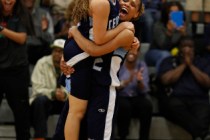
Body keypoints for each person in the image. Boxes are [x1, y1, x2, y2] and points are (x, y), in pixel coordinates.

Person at [53, 0, 144, 139]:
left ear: (137, 13)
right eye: (125, 0)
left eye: (132, 4)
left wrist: (75, 33)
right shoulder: (104, 19)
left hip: (103, 90)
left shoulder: (127, 33)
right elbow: (83, 39)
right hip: (85, 82)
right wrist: (66, 57)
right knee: (67, 128)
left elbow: (94, 49)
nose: (126, 4)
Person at [157, 36, 210, 140]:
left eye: (190, 47)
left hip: (199, 99)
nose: (187, 49)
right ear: (179, 49)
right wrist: (184, 65)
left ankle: (198, 134)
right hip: (177, 99)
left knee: (205, 111)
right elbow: (166, 80)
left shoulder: (202, 62)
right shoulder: (169, 61)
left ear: (194, 49)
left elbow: (207, 83)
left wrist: (191, 66)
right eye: (184, 46)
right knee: (172, 107)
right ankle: (202, 133)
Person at [0, 0, 35, 140]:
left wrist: (2, 30)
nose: (8, 1)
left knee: (21, 115)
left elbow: (21, 38)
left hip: (17, 71)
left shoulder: (22, 13)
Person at [30, 39, 68, 140]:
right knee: (39, 101)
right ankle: (39, 137)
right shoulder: (42, 63)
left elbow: (75, 87)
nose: (57, 54)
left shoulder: (70, 65)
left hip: (63, 100)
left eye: (61, 51)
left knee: (75, 104)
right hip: (47, 100)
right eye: (55, 50)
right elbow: (37, 87)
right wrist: (52, 93)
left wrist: (64, 95)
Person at [116, 47, 152, 140]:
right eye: (129, 50)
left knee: (147, 105)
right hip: (121, 96)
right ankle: (123, 136)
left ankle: (144, 137)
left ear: (139, 53)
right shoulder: (119, 65)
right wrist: (127, 81)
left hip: (136, 96)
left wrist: (139, 81)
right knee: (124, 106)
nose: (132, 53)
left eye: (135, 50)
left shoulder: (142, 65)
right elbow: (114, 87)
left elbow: (144, 90)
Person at [144, 1, 187, 72]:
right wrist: (169, 32)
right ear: (166, 13)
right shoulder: (159, 26)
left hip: (176, 53)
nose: (174, 15)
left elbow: (190, 46)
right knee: (166, 55)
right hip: (155, 53)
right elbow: (164, 47)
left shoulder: (184, 26)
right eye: (171, 12)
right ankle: (163, 80)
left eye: (177, 12)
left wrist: (184, 34)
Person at [22, 0, 54, 73]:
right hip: (21, 52)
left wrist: (44, 30)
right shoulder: (16, 14)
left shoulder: (44, 14)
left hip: (39, 51)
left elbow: (51, 39)